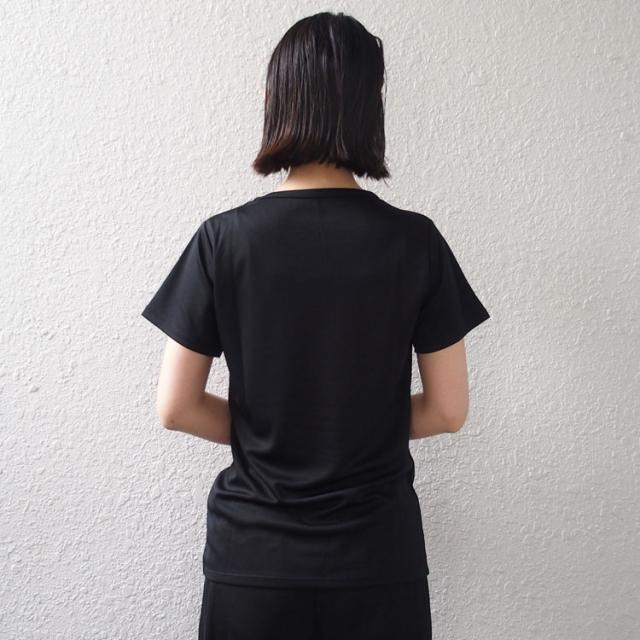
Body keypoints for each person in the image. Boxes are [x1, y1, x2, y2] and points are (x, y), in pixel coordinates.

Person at [141, 11, 490, 640]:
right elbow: (448, 410)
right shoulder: (415, 242)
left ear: (274, 99)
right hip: (377, 560)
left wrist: (273, 432)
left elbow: (176, 407)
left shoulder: (223, 241)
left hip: (254, 561)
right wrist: (355, 428)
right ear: (370, 105)